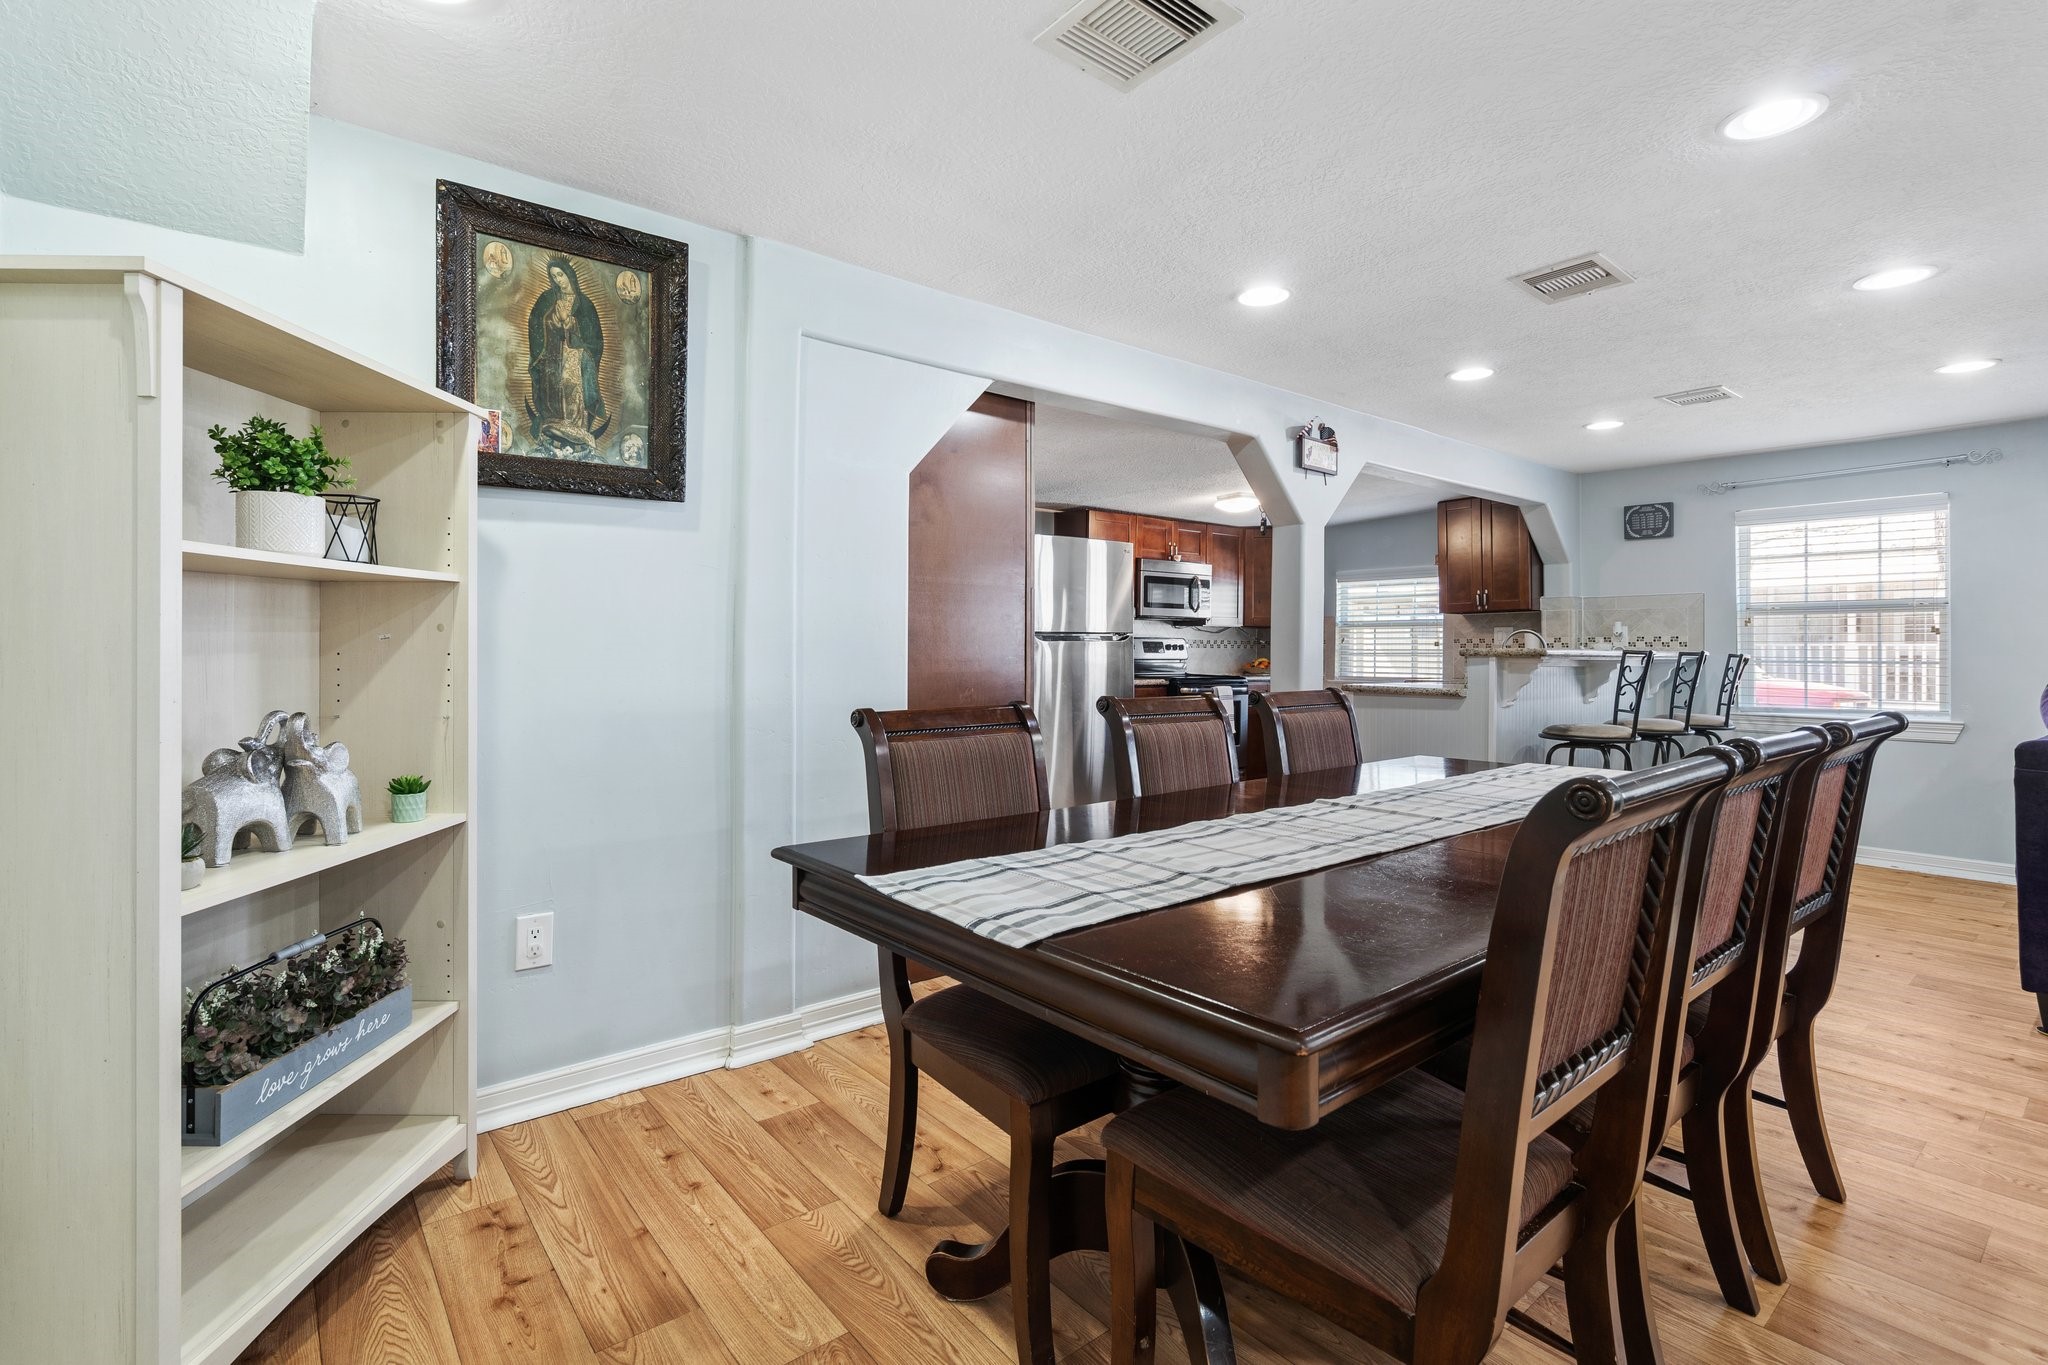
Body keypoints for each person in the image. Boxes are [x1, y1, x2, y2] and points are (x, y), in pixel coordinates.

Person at [525, 257, 608, 456]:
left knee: (571, 385)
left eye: (561, 275)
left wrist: (570, 322)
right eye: (554, 276)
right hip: (552, 356)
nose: (558, 280)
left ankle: (576, 428)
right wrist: (553, 321)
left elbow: (594, 339)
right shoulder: (547, 299)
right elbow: (535, 324)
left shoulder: (585, 304)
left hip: (576, 356)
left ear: (569, 274)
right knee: (555, 385)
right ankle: (553, 424)